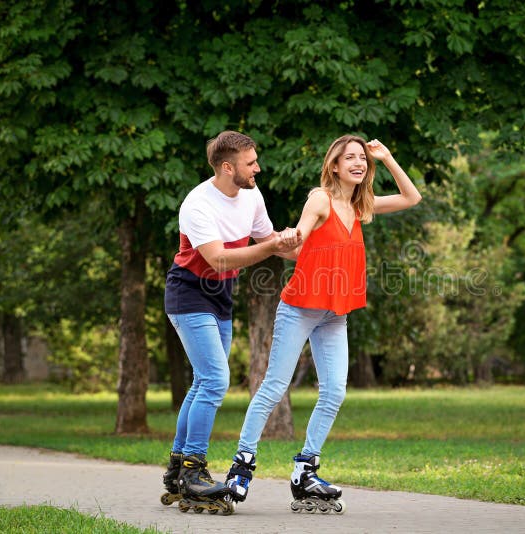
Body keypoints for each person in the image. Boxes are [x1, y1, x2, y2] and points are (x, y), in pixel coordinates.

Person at [224, 135, 422, 513]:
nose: (358, 163)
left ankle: (305, 469)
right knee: (274, 387)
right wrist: (288, 238)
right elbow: (300, 238)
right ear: (334, 166)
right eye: (349, 157)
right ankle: (242, 464)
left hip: (334, 313)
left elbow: (411, 198)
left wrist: (389, 156)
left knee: (334, 391)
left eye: (362, 158)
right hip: (300, 307)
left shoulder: (361, 206)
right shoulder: (321, 198)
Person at [161, 131, 301, 511]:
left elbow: (269, 238)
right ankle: (194, 470)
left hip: (220, 298)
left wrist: (307, 251)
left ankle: (177, 469)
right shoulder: (197, 204)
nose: (258, 168)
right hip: (189, 295)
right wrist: (272, 247)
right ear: (227, 167)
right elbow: (219, 259)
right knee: (215, 380)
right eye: (250, 162)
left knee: (201, 383)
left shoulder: (252, 195)